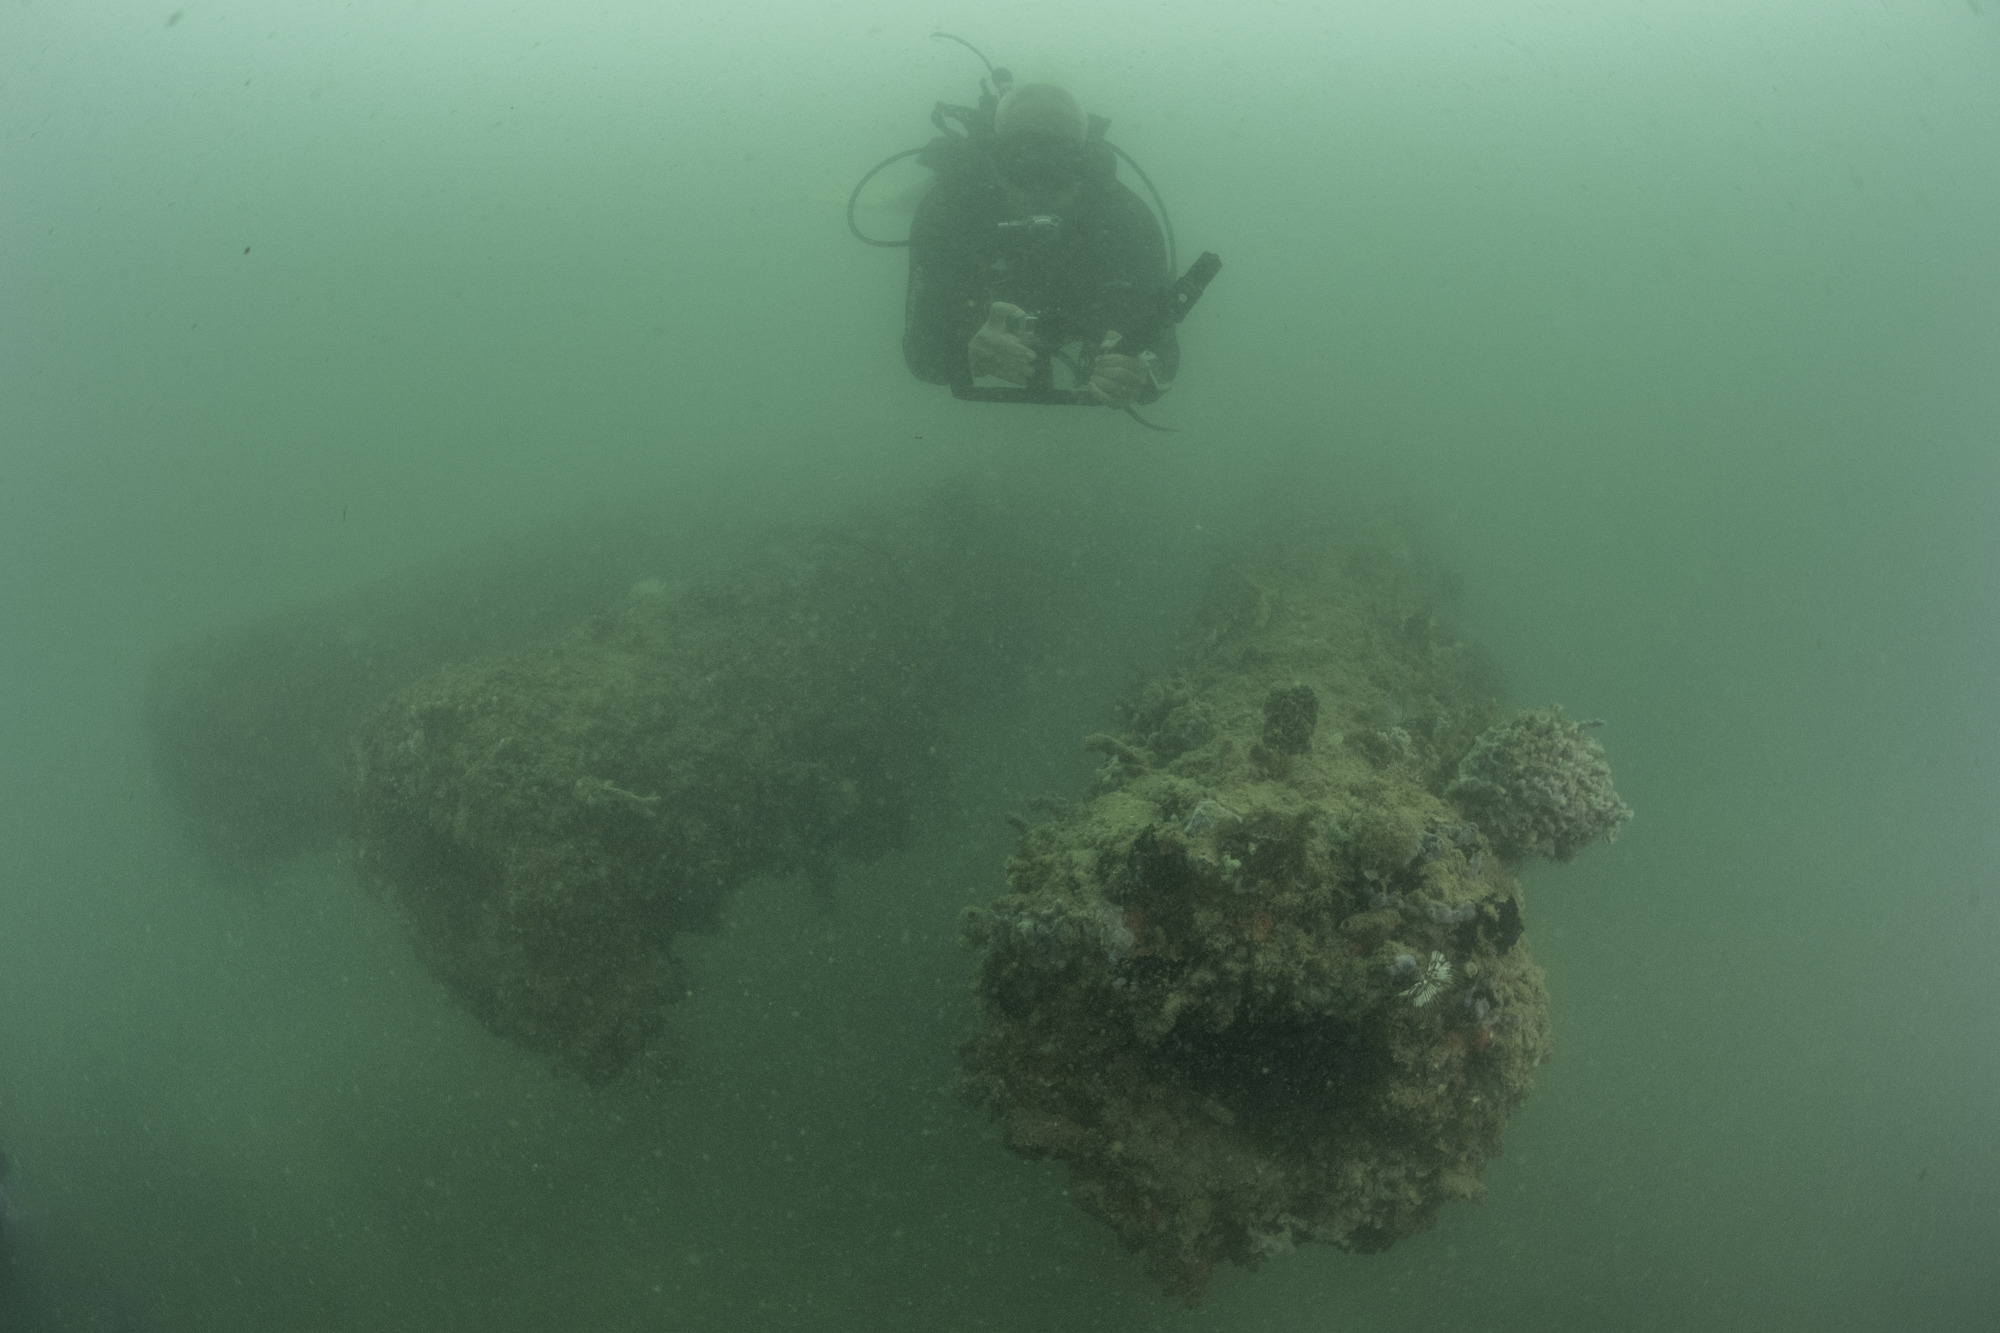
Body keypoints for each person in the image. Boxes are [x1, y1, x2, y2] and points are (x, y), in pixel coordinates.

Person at [902, 83, 1178, 411]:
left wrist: (1139, 376)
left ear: (1083, 164)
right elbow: (921, 356)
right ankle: (903, 196)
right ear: (995, 161)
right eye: (1022, 161)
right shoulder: (951, 211)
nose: (1041, 186)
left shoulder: (1125, 219)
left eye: (1060, 164)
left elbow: (1164, 353)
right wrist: (967, 349)